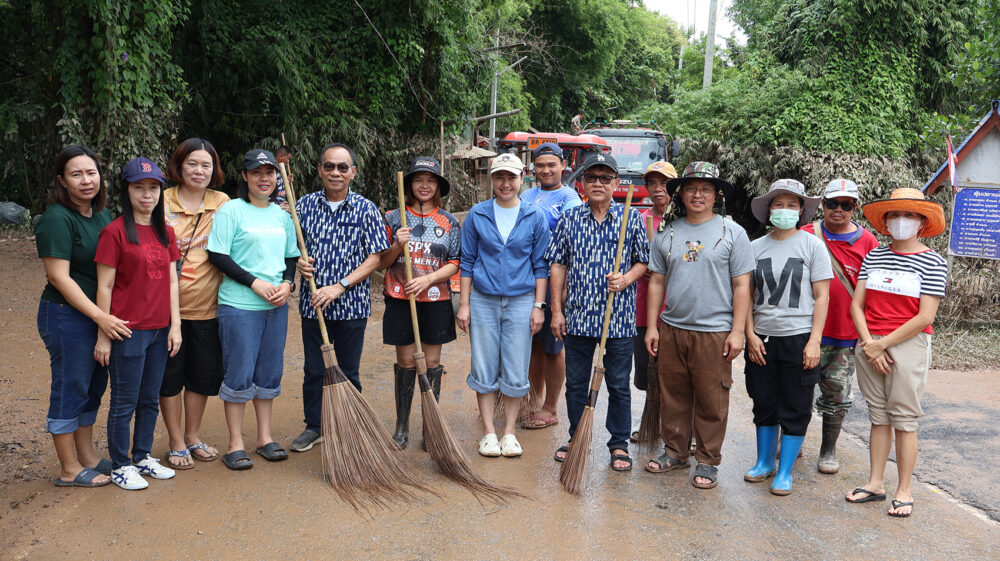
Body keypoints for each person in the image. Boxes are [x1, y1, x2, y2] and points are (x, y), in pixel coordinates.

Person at [644, 162, 754, 489]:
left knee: (711, 399)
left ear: (716, 195)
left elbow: (742, 285)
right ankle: (676, 452)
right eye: (691, 188)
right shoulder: (668, 231)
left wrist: (737, 331)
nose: (697, 195)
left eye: (705, 189)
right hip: (672, 327)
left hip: (714, 331)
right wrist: (652, 326)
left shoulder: (732, 233)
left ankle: (707, 460)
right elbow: (656, 282)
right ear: (681, 193)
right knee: (673, 395)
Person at [845, 188, 948, 518]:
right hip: (869, 343)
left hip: (907, 344)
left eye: (909, 215)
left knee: (904, 419)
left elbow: (925, 317)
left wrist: (883, 344)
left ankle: (904, 490)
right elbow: (857, 306)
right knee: (878, 416)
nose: (901, 220)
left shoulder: (933, 262)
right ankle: (875, 483)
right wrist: (870, 344)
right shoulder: (875, 256)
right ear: (885, 221)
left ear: (922, 222)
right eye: (894, 214)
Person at [548, 153, 649, 472]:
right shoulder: (569, 219)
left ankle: (618, 443)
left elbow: (643, 262)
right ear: (581, 183)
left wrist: (626, 279)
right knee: (576, 384)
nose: (598, 183)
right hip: (578, 317)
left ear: (616, 183)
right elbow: (558, 264)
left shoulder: (631, 218)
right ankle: (577, 436)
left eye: (605, 178)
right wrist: (556, 311)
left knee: (618, 384)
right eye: (592, 177)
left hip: (617, 320)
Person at [291, 143, 390, 452]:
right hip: (313, 305)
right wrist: (299, 261)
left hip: (351, 306)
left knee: (347, 370)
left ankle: (349, 425)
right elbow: (292, 246)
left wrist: (340, 286)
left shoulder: (366, 209)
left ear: (352, 172)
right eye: (329, 166)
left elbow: (375, 258)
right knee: (314, 370)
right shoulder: (304, 206)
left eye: (342, 167)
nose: (336, 172)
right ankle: (315, 426)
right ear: (320, 170)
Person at [206, 149, 299, 470]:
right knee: (240, 372)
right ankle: (235, 444)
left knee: (269, 372)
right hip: (240, 305)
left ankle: (264, 438)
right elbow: (218, 255)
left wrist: (287, 284)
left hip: (276, 307)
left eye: (269, 173)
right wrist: (255, 283)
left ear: (277, 177)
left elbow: (291, 256)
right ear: (244, 176)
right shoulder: (232, 210)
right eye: (256, 172)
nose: (264, 178)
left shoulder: (282, 216)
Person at [35, 145, 122, 487]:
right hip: (65, 315)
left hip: (97, 315)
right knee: (71, 385)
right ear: (62, 180)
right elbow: (59, 278)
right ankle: (69, 468)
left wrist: (103, 317)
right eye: (76, 174)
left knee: (93, 386)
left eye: (91, 173)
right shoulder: (57, 219)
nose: (86, 181)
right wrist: (101, 317)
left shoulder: (102, 214)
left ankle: (87, 456)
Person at [94, 157, 182, 490]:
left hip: (160, 330)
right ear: (127, 191)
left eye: (153, 188)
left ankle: (142, 456)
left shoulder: (166, 232)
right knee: (124, 401)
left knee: (149, 397)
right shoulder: (114, 232)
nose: (147, 195)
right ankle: (121, 464)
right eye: (139, 188)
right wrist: (103, 334)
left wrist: (175, 326)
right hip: (127, 330)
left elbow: (172, 281)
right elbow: (104, 286)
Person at [457, 152, 550, 458]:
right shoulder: (478, 214)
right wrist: (464, 304)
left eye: (511, 177)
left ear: (522, 178)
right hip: (483, 300)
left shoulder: (534, 216)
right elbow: (467, 262)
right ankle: (488, 432)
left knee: (516, 366)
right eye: (499, 177)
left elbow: (540, 265)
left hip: (521, 300)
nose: (505, 183)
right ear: (492, 179)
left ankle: (509, 432)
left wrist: (539, 306)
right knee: (483, 365)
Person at [743, 179, 832, 495]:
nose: (784, 210)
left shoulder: (812, 246)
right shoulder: (754, 248)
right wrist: (749, 334)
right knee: (763, 401)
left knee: (796, 405)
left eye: (791, 205)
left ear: (801, 210)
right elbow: (746, 295)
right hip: (762, 338)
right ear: (768, 209)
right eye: (778, 204)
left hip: (799, 338)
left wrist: (814, 341)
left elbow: (822, 296)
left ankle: (785, 471)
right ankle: (764, 462)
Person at [379, 156, 460, 449]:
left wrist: (428, 280)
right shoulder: (392, 217)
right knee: (405, 362)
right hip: (400, 298)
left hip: (436, 299)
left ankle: (431, 428)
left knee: (432, 363)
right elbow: (382, 262)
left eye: (430, 180)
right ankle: (401, 427)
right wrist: (397, 245)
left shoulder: (448, 221)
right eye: (418, 180)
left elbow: (455, 262)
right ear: (409, 185)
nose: (424, 185)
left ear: (438, 186)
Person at [159, 138, 230, 469]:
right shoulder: (162, 200)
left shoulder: (222, 202)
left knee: (201, 376)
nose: (199, 171)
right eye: (192, 163)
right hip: (166, 308)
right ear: (179, 165)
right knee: (170, 377)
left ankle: (192, 435)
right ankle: (175, 440)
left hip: (208, 306)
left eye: (206, 165)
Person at [801, 179, 879, 474]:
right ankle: (791, 441)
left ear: (854, 207)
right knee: (797, 391)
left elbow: (872, 293)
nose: (838, 209)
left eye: (846, 204)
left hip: (845, 335)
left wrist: (867, 335)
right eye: (832, 203)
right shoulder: (806, 234)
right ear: (823, 204)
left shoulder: (868, 242)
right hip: (805, 330)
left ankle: (828, 450)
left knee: (836, 396)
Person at [519, 142, 582, 430]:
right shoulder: (526, 195)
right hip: (527, 280)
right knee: (534, 342)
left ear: (563, 166)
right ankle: (533, 400)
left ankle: (551, 407)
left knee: (554, 345)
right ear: (533, 168)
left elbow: (572, 242)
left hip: (555, 280)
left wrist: (565, 287)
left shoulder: (569, 198)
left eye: (551, 165)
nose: (545, 170)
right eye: (540, 165)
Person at [632, 161, 676, 440]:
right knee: (648, 372)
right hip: (643, 310)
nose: (658, 189)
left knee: (675, 374)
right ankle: (652, 422)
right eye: (652, 183)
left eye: (664, 183)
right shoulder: (638, 219)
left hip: (676, 310)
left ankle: (677, 428)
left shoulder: (683, 221)